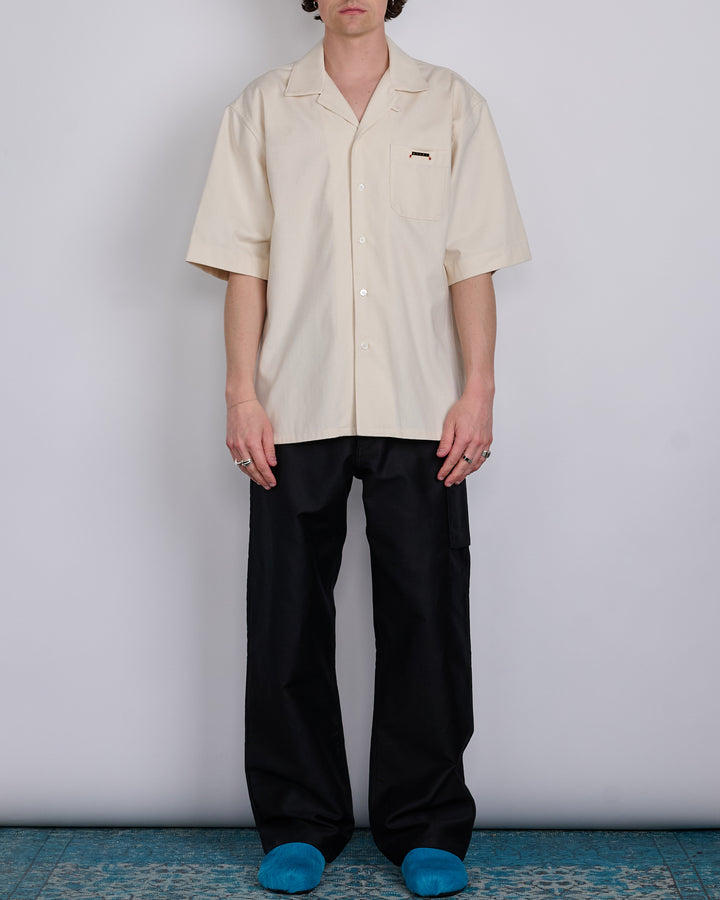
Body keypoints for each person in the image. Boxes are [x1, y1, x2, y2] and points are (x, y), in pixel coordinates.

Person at [185, 0, 531, 895]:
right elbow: (245, 263)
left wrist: (479, 392)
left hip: (420, 404)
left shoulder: (449, 103)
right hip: (292, 403)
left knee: (426, 614)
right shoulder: (263, 107)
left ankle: (426, 827)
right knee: (287, 618)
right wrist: (241, 394)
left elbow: (473, 261)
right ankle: (299, 823)